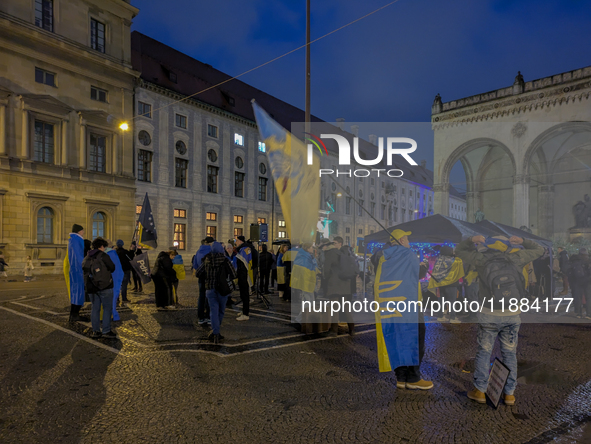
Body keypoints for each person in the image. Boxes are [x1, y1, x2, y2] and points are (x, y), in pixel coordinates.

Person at [456, 235, 544, 405]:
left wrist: (471, 240)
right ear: (505, 245)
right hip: (512, 313)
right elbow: (540, 250)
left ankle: (480, 391)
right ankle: (509, 393)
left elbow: (459, 250)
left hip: (488, 313)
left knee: (484, 352)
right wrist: (522, 241)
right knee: (509, 353)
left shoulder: (481, 259)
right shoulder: (516, 257)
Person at [375, 229, 432, 390]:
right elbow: (417, 274)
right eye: (407, 239)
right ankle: (413, 378)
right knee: (416, 338)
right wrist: (424, 265)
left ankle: (400, 378)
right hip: (409, 304)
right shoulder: (408, 254)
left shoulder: (383, 257)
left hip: (391, 306)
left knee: (398, 339)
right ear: (401, 241)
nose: (409, 242)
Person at [195, 242, 237, 344]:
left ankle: (215, 332)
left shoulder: (207, 259)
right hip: (223, 290)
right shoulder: (225, 260)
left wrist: (207, 276)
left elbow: (198, 273)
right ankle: (216, 332)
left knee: (213, 312)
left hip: (210, 289)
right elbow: (233, 274)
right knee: (221, 311)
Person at [82, 237, 117, 339]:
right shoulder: (103, 255)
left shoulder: (87, 256)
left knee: (95, 309)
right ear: (102, 246)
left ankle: (95, 331)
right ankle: (106, 331)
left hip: (92, 287)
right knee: (107, 309)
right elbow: (112, 267)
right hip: (105, 286)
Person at [322, 236, 355, 336]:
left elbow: (326, 270)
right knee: (346, 308)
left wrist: (326, 278)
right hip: (345, 284)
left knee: (335, 308)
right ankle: (352, 329)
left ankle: (333, 330)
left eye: (334, 242)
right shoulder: (345, 253)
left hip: (334, 284)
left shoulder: (331, 253)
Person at [427, 246, 464, 323]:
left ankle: (440, 316)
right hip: (451, 284)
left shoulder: (439, 260)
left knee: (441, 301)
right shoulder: (455, 260)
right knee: (452, 301)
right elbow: (460, 264)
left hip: (441, 283)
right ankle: (453, 318)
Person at [64, 224, 90, 322]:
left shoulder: (72, 240)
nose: (83, 232)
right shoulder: (76, 240)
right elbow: (78, 256)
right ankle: (75, 315)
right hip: (78, 270)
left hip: (75, 270)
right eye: (82, 230)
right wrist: (84, 266)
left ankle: (73, 314)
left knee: (76, 293)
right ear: (79, 231)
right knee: (78, 293)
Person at [193, 237, 214, 324]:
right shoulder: (212, 251)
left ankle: (201, 317)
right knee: (209, 296)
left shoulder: (198, 251)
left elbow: (194, 265)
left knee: (201, 296)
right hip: (210, 276)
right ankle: (209, 317)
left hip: (201, 276)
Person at [567, 248, 591, 319]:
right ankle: (588, 314)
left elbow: (569, 272)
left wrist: (571, 282)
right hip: (588, 282)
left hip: (577, 281)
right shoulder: (588, 261)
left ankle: (578, 313)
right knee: (589, 298)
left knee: (578, 297)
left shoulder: (575, 261)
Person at [235, 235, 254, 321]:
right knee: (243, 295)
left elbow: (244, 265)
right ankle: (244, 311)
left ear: (240, 241)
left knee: (245, 295)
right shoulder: (243, 249)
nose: (235, 242)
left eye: (237, 240)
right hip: (242, 275)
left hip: (244, 275)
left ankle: (246, 314)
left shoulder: (245, 249)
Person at [115, 239, 132, 305]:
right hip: (125, 270)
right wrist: (131, 251)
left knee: (117, 286)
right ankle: (124, 298)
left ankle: (117, 299)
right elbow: (131, 259)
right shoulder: (125, 252)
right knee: (124, 285)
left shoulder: (115, 252)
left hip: (117, 271)